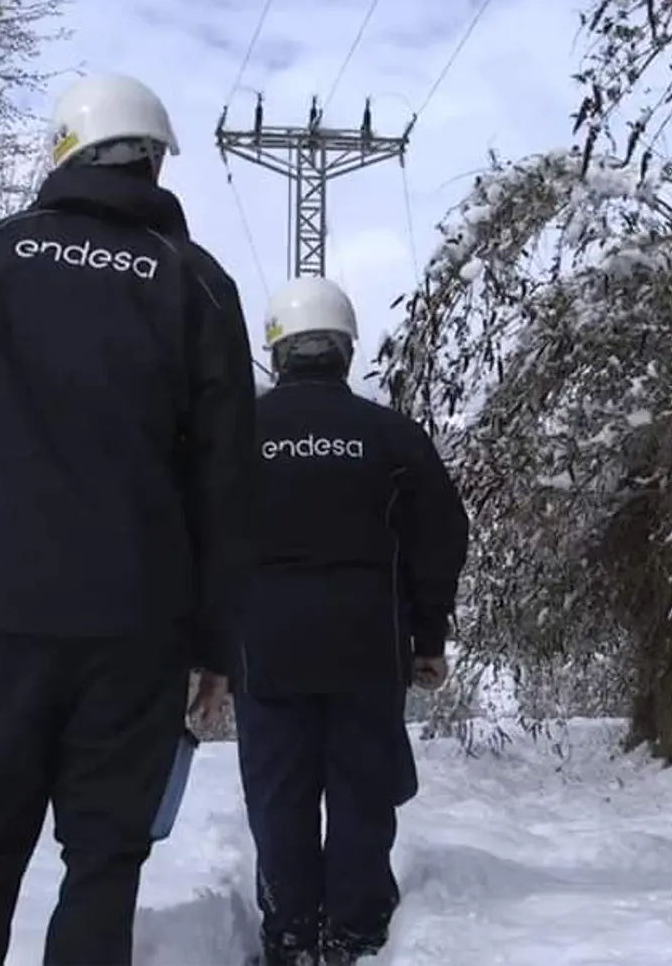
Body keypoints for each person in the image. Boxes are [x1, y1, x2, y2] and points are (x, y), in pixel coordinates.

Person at [0, 72, 257, 966]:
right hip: (137, 628)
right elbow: (228, 481)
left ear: (64, 152)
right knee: (104, 863)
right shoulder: (196, 285)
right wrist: (216, 644)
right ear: (157, 166)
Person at [233, 276, 471, 966]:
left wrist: (206, 642)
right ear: (345, 350)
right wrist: (428, 638)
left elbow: (194, 536)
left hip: (266, 649)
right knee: (362, 790)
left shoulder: (238, 434)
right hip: (369, 644)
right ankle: (356, 935)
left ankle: (289, 935)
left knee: (280, 794)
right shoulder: (391, 435)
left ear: (277, 350)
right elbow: (441, 538)